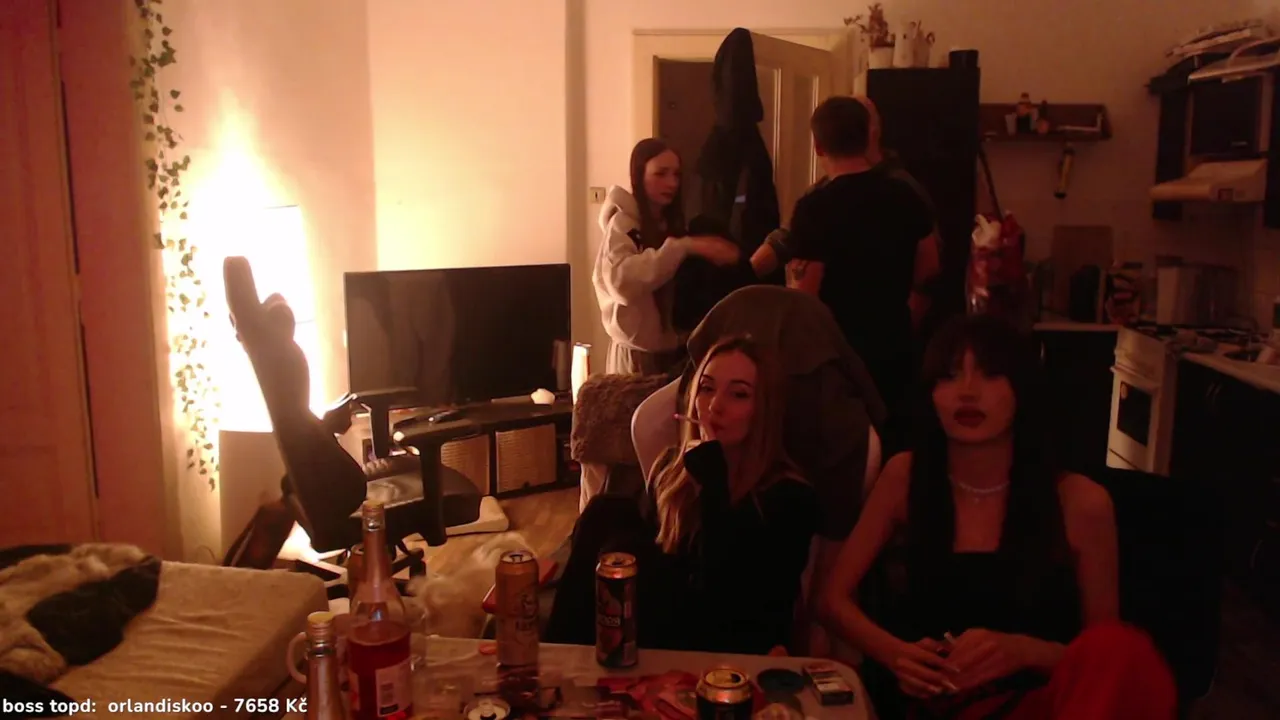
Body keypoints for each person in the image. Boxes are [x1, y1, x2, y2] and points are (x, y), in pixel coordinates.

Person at [819, 315, 1176, 719]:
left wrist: (1022, 651)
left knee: (1124, 649)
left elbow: (1103, 658)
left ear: (1022, 391)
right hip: (934, 698)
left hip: (1043, 704)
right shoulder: (905, 476)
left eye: (990, 375)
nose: (967, 393)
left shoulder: (1081, 502)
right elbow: (832, 599)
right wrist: (894, 654)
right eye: (949, 376)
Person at [544, 336, 818, 655]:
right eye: (707, 388)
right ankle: (556, 657)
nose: (715, 405)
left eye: (738, 394)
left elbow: (726, 601)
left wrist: (713, 484)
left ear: (764, 410)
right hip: (661, 631)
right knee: (606, 512)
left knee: (623, 538)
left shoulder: (790, 498)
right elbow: (657, 558)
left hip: (731, 642)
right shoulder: (673, 471)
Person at [781, 96, 937, 454]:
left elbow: (806, 297)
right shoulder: (904, 195)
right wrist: (908, 313)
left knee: (846, 454)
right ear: (869, 137)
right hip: (896, 344)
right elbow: (930, 268)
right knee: (895, 449)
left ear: (818, 146)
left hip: (840, 356)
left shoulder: (814, 207)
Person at [592, 138, 741, 376]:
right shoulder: (623, 224)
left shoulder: (671, 224)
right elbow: (621, 283)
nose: (671, 183)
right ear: (639, 174)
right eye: (661, 174)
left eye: (676, 175)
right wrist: (682, 247)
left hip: (673, 351)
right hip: (636, 355)